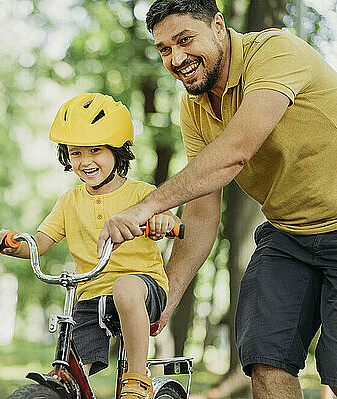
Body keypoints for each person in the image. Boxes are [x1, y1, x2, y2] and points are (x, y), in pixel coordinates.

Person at [95, 0, 337, 397]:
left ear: (219, 26)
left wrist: (148, 205)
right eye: (164, 49)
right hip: (288, 235)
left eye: (185, 40)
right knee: (264, 356)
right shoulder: (193, 105)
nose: (176, 58)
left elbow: (234, 152)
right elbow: (203, 212)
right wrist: (165, 301)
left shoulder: (276, 52)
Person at [0, 93, 182, 398]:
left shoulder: (142, 194)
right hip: (92, 294)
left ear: (118, 151)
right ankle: (69, 388)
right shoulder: (69, 201)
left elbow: (167, 219)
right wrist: (14, 244)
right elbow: (40, 243)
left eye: (95, 151)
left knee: (125, 289)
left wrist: (162, 222)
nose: (85, 161)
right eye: (76, 153)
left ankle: (137, 376)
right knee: (78, 363)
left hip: (143, 289)